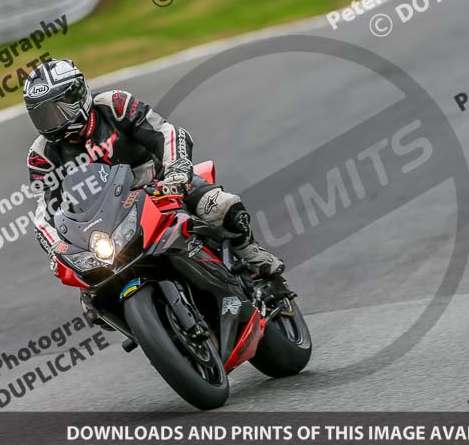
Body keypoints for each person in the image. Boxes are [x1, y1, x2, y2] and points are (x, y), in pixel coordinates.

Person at [24, 59, 285, 286]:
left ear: (76, 95)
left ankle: (251, 254)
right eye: (42, 114)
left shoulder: (115, 105)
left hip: (159, 188)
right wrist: (55, 246)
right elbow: (45, 212)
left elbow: (165, 133)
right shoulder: (41, 155)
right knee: (87, 289)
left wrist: (178, 171)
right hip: (106, 221)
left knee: (218, 206)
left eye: (56, 110)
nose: (51, 120)